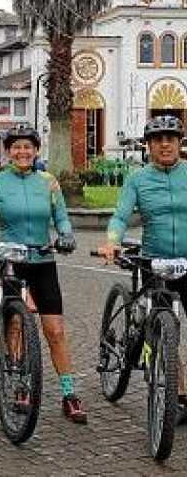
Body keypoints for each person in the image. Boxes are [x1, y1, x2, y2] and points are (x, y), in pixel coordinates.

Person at [0, 126, 86, 424]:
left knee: (56, 330)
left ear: (36, 150)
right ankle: (21, 385)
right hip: (9, 259)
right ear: (8, 151)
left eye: (28, 147)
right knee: (14, 325)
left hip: (42, 258)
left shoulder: (49, 182)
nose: (22, 152)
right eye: (16, 147)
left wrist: (66, 235)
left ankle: (69, 393)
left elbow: (61, 217)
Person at [98, 115, 187, 410]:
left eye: (170, 138)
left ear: (179, 142)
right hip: (153, 260)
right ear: (148, 145)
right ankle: (178, 391)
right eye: (158, 139)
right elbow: (121, 216)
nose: (165, 144)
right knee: (164, 326)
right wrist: (112, 240)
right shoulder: (137, 179)